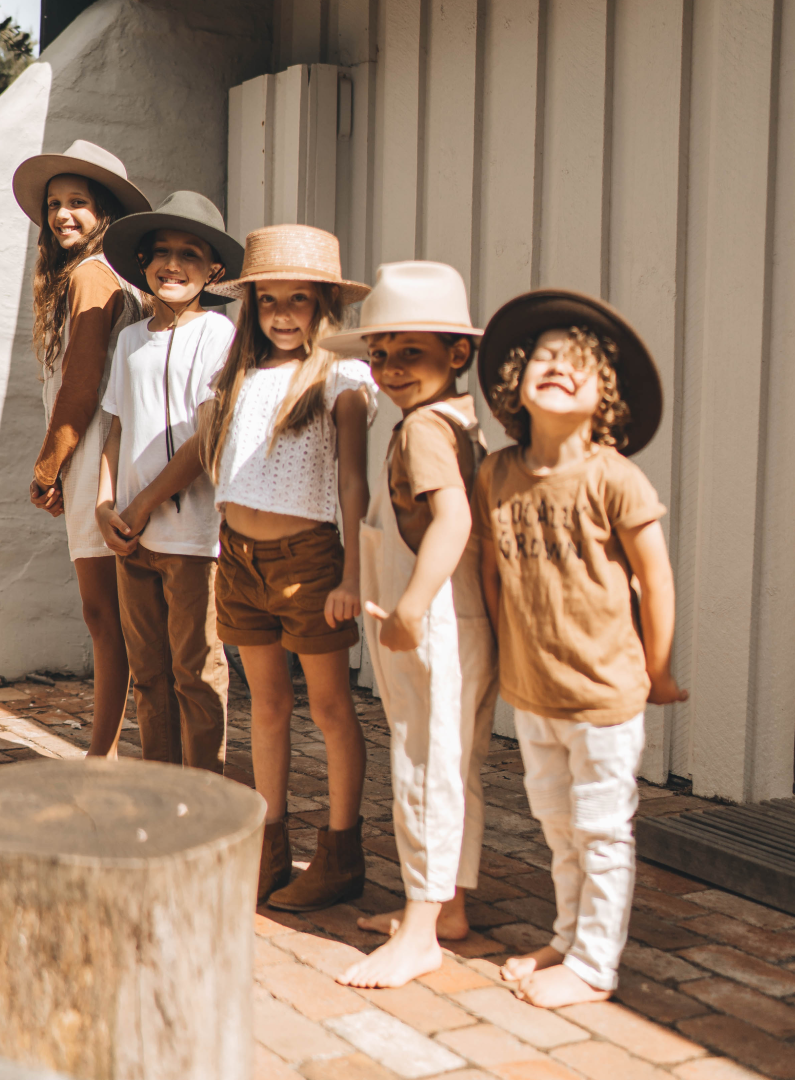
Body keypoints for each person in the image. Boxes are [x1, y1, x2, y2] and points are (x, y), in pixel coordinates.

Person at [472, 289, 688, 1008]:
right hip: (535, 693)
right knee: (557, 825)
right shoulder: (496, 474)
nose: (558, 369)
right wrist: (507, 661)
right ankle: (568, 938)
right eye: (544, 358)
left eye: (578, 365)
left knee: (599, 829)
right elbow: (493, 576)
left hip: (603, 693)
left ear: (606, 398)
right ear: (516, 382)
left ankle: (596, 965)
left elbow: (655, 580)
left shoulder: (614, 478)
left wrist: (658, 670)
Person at [319, 262, 497, 987]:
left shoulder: (424, 429)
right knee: (455, 765)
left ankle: (421, 929)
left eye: (410, 353)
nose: (390, 369)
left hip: (432, 618)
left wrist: (413, 606)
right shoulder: (458, 420)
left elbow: (452, 518)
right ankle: (448, 907)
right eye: (381, 354)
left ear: (458, 354)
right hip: (461, 617)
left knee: (424, 767)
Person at [201, 224, 376, 911]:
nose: (280, 315)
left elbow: (354, 485)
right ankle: (269, 847)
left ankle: (340, 855)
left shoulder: (341, 376)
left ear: (324, 304)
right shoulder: (242, 373)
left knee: (331, 707)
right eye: (268, 301)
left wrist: (352, 576)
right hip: (239, 557)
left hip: (309, 559)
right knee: (266, 705)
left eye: (297, 300)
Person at [95, 192, 244, 772]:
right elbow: (116, 429)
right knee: (148, 673)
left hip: (191, 540)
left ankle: (205, 797)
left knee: (196, 672)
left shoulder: (219, 337)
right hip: (131, 538)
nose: (173, 264)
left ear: (214, 270)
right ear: (143, 264)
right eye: (161, 252)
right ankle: (158, 791)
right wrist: (107, 505)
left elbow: (206, 441)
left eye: (189, 253)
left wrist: (143, 504)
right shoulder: (131, 339)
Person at [12, 140, 151, 758]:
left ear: (105, 215)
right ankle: (111, 749)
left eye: (79, 203)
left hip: (96, 452)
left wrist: (49, 468)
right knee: (119, 616)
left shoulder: (93, 276)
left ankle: (103, 754)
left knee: (105, 616)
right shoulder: (101, 274)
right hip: (104, 454)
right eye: (55, 204)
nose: (63, 215)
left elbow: (81, 383)